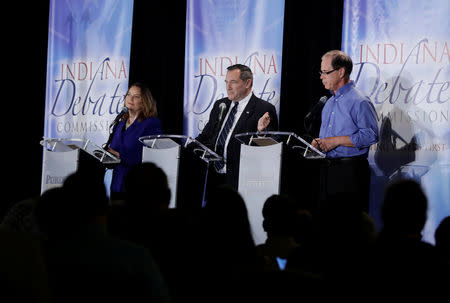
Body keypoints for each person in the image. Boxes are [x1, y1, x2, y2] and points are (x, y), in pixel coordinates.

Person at [311, 50, 379, 213]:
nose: (321, 77)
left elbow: (371, 135)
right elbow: (326, 138)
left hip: (351, 173)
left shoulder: (359, 101)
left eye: (326, 72)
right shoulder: (328, 103)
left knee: (348, 227)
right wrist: (319, 143)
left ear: (341, 72)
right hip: (328, 170)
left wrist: (335, 141)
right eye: (321, 72)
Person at [195, 64, 278, 189]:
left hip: (242, 179)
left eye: (233, 82)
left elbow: (269, 149)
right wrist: (184, 148)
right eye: (226, 82)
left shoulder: (264, 109)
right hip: (214, 176)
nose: (228, 87)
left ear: (247, 83)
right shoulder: (220, 105)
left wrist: (261, 132)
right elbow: (206, 135)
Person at [106, 82, 163, 200]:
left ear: (144, 102)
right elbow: (114, 150)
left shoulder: (151, 124)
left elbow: (152, 157)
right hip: (117, 185)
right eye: (128, 94)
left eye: (136, 96)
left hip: (137, 186)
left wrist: (119, 156)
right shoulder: (120, 124)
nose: (130, 98)